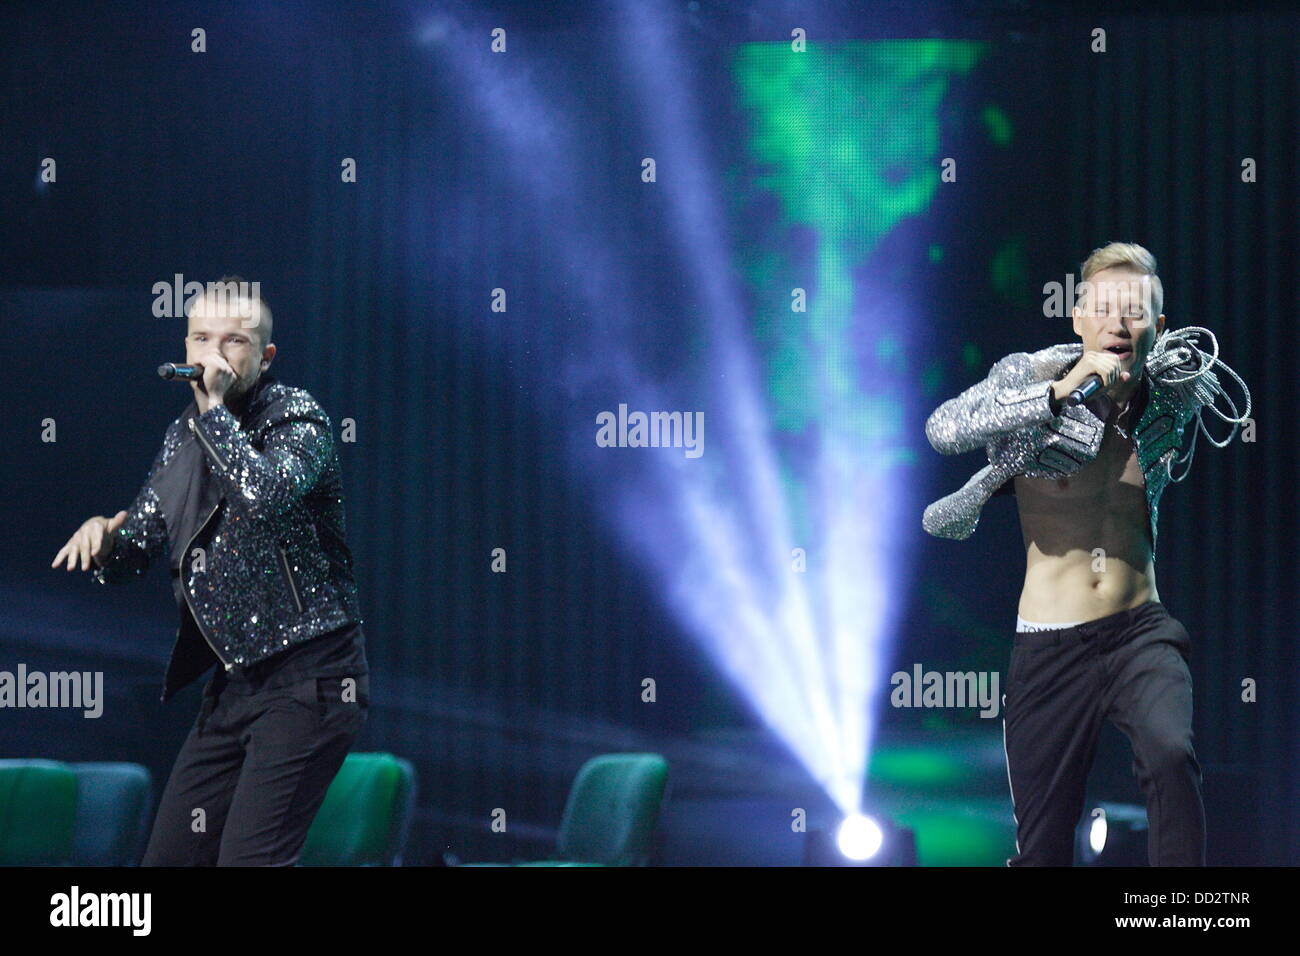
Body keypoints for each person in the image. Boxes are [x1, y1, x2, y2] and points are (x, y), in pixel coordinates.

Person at [923, 242, 1249, 866]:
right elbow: (943, 428)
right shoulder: (1033, 378)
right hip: (1050, 644)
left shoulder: (1173, 394)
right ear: (1077, 317)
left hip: (1140, 630)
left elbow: (1211, 390)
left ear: (1159, 325)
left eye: (1137, 311)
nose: (1118, 323)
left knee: (1170, 754)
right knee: (1043, 847)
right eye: (1104, 308)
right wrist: (1058, 393)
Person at [51, 276, 369, 866]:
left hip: (311, 681)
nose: (214, 355)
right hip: (233, 686)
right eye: (201, 338)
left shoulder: (298, 418)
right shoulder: (184, 438)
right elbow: (138, 549)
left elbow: (264, 496)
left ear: (265, 355)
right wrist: (105, 540)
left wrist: (215, 413)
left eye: (234, 341)